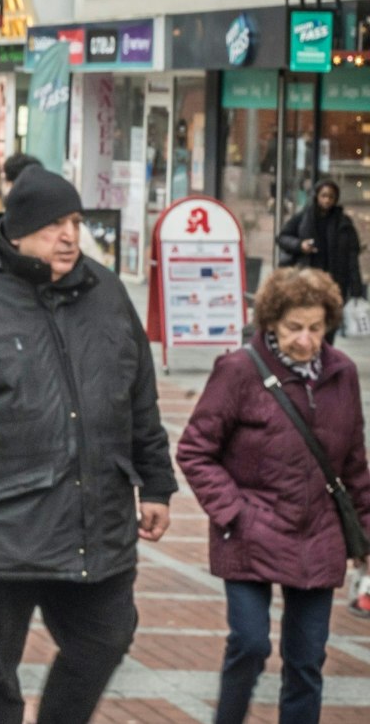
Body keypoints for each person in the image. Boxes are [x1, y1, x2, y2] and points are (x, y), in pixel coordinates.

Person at [0, 168, 176, 724]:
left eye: (74, 222)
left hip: (96, 516)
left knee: (107, 637)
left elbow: (138, 393)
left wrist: (156, 481)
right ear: (17, 231)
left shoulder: (106, 291)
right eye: (52, 225)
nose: (68, 236)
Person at [178, 267, 370, 724]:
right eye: (293, 328)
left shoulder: (342, 374)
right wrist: (236, 513)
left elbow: (354, 465)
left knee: (306, 660)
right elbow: (194, 450)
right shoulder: (239, 371)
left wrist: (366, 537)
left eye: (316, 328)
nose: (306, 340)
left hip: (318, 533)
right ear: (270, 323)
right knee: (250, 642)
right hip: (251, 528)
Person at [276, 179, 366, 304]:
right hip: (307, 279)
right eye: (324, 195)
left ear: (336, 199)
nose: (327, 200)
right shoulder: (303, 217)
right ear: (317, 196)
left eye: (331, 197)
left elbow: (352, 257)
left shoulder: (343, 222)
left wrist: (357, 291)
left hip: (335, 282)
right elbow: (282, 237)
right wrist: (300, 245)